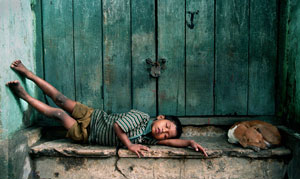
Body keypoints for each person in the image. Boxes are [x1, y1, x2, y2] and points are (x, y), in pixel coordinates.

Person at [6, 60, 207, 157]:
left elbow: (171, 144)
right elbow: (118, 126)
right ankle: (30, 74)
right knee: (60, 99)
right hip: (93, 115)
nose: (162, 132)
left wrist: (190, 142)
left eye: (165, 135)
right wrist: (129, 146)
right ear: (160, 117)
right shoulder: (141, 117)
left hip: (87, 134)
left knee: (58, 114)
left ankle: (24, 96)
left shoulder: (148, 140)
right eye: (165, 126)